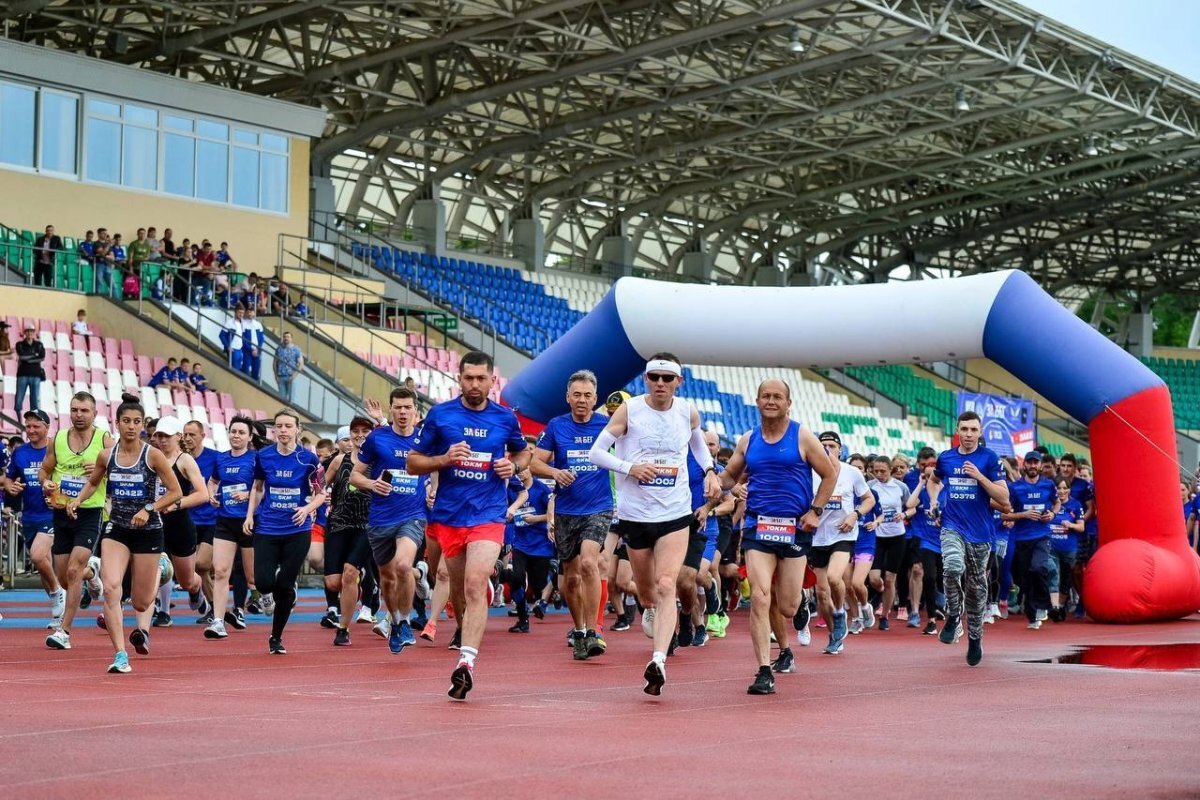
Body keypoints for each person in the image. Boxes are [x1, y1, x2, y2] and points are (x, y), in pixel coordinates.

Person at [587, 354, 721, 696]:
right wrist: (629, 467)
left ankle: (658, 660)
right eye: (653, 377)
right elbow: (596, 453)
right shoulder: (629, 411)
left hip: (675, 514)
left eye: (667, 377)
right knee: (647, 593)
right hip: (636, 516)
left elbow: (697, 445)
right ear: (645, 379)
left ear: (679, 381)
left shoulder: (687, 411)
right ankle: (651, 614)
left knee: (666, 585)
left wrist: (709, 471)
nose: (660, 383)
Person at [407, 350, 530, 701]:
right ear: (458, 379)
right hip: (448, 515)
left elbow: (524, 454)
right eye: (468, 378)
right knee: (458, 590)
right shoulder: (440, 416)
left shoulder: (505, 419)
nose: (475, 384)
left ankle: (466, 662)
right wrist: (444, 458)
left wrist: (514, 466)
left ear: (493, 380)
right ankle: (465, 628)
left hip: (489, 513)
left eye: (481, 378)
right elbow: (413, 463)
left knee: (475, 584)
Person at [716, 379, 836, 695]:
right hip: (758, 526)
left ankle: (799, 607)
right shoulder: (747, 440)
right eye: (766, 396)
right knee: (758, 594)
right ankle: (763, 670)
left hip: (794, 528)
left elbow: (829, 474)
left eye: (777, 397)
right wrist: (718, 482)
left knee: (786, 606)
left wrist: (816, 511)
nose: (771, 401)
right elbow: (730, 474)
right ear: (757, 401)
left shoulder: (803, 436)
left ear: (788, 403)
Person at [65, 393, 182, 673]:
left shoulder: (152, 455)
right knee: (111, 590)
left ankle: (161, 567)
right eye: (126, 421)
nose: (131, 426)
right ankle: (120, 654)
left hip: (148, 531)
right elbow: (93, 483)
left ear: (143, 425)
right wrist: (78, 500)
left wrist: (149, 508)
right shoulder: (107, 455)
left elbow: (176, 492)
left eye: (137, 421)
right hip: (116, 529)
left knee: (141, 602)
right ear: (117, 423)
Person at [530, 369, 613, 658]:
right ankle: (578, 630)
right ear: (567, 397)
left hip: (599, 507)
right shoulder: (556, 426)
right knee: (572, 577)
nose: (581, 400)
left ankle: (593, 631)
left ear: (595, 399)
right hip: (566, 509)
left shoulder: (607, 426)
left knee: (591, 562)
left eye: (587, 395)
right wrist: (555, 472)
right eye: (576, 395)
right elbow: (534, 463)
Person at [925, 411, 1011, 667]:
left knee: (976, 590)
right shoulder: (947, 457)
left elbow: (1004, 499)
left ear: (980, 432)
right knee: (951, 567)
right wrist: (932, 501)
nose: (969, 434)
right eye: (965, 429)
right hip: (952, 525)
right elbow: (934, 479)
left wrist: (980, 477)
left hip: (981, 534)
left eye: (974, 430)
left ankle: (975, 637)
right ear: (958, 431)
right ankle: (953, 616)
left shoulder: (989, 458)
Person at [353, 388, 428, 654]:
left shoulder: (425, 439)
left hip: (413, 516)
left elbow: (439, 466)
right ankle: (395, 621)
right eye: (398, 407)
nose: (403, 412)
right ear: (391, 409)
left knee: (404, 566)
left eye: (408, 407)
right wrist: (372, 484)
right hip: (380, 519)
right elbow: (355, 477)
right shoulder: (377, 438)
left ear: (415, 410)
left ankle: (406, 622)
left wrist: (433, 489)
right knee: (386, 577)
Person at [243, 409, 325, 654]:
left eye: (288, 426)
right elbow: (257, 488)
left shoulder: (308, 459)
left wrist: (307, 508)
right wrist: (249, 515)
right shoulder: (264, 456)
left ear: (297, 429)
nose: (283, 430)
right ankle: (268, 594)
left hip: (297, 530)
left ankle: (276, 637)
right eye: (279, 426)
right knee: (264, 582)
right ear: (274, 430)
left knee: (286, 587)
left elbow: (321, 494)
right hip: (267, 527)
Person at [39, 392, 115, 650]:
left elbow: (122, 469)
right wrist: (45, 483)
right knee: (64, 577)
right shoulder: (58, 438)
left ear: (94, 413)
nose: (79, 415)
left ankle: (64, 631)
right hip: (61, 512)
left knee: (72, 572)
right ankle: (92, 573)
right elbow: (44, 469)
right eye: (74, 410)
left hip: (90, 512)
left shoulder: (104, 439)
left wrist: (101, 468)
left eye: (84, 410)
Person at [2, 410, 75, 625]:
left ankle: (58, 593)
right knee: (44, 567)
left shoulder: (59, 448)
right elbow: (7, 478)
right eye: (28, 426)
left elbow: (75, 475)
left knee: (36, 556)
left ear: (47, 427)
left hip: (52, 513)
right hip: (29, 516)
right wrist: (11, 486)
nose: (31, 430)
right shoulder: (20, 452)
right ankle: (59, 612)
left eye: (36, 426)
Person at [140, 417, 210, 632]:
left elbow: (203, 494)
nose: (161, 441)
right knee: (154, 572)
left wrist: (176, 504)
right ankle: (145, 627)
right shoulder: (149, 457)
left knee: (187, 580)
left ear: (178, 437)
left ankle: (196, 590)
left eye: (166, 436)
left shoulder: (184, 460)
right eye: (158, 436)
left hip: (179, 526)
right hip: (154, 525)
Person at [809, 431, 874, 652]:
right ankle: (835, 633)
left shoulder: (852, 472)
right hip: (818, 536)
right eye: (823, 445)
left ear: (840, 449)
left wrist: (855, 514)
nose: (827, 449)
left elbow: (869, 499)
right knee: (820, 593)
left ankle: (840, 612)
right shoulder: (811, 473)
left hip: (844, 533)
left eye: (831, 445)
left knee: (834, 577)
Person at [204, 416, 259, 638]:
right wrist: (211, 495)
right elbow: (213, 481)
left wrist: (247, 494)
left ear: (249, 437)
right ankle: (218, 621)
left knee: (253, 576)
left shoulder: (256, 459)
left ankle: (266, 594)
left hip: (249, 522)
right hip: (226, 521)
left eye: (241, 432)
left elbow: (263, 487)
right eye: (233, 431)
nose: (236, 435)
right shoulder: (221, 459)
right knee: (220, 571)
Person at [324, 418, 376, 646]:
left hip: (365, 525)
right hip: (338, 523)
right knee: (333, 583)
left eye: (365, 431)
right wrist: (319, 498)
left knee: (348, 574)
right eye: (355, 431)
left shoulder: (377, 461)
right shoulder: (338, 461)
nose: (359, 435)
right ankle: (361, 576)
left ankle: (343, 628)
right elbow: (320, 485)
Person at [1003, 451, 1057, 630]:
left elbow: (1056, 503)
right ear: (1024, 465)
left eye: (1036, 463)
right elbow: (1005, 513)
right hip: (1021, 538)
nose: (1033, 466)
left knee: (1038, 567)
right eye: (1030, 463)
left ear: (1041, 466)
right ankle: (1032, 615)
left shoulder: (1048, 485)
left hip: (1042, 536)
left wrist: (1052, 514)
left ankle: (1043, 604)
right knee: (1025, 579)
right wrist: (1023, 514)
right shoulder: (1015, 487)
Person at [500, 467, 555, 635]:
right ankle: (523, 619)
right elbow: (506, 512)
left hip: (540, 545)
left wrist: (535, 519)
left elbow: (552, 514)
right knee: (516, 577)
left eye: (523, 470)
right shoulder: (511, 490)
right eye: (517, 472)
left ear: (531, 470)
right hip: (520, 543)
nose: (520, 474)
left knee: (538, 586)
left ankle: (554, 576)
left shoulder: (541, 489)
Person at [865, 455, 912, 631]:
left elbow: (912, 505)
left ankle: (884, 615)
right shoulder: (870, 487)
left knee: (890, 579)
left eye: (883, 471)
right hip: (876, 536)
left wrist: (905, 514)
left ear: (890, 469)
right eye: (875, 471)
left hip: (896, 536)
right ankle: (880, 593)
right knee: (874, 579)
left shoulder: (901, 487)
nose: (879, 474)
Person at [181, 420, 220, 627]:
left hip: (212, 519)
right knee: (200, 570)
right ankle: (212, 607)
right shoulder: (181, 459)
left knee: (201, 564)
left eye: (192, 434)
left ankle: (200, 596)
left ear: (203, 435)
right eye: (185, 434)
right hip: (189, 519)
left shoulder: (214, 458)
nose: (188, 438)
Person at [1048, 478, 1085, 622]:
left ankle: (1065, 604)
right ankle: (1055, 607)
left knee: (1068, 578)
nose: (1062, 491)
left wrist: (1071, 525)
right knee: (1053, 574)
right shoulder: (1051, 504)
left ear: (1069, 490)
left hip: (1070, 549)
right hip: (1052, 548)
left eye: (1065, 488)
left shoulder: (1075, 504)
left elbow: (1081, 527)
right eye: (1059, 488)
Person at [15, 323, 45, 414]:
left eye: (31, 331)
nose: (29, 333)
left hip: (36, 374)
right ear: (24, 333)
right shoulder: (19, 344)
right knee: (19, 399)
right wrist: (34, 355)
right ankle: (17, 420)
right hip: (22, 374)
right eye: (27, 331)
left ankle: (33, 420)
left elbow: (42, 357)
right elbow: (21, 356)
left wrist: (28, 358)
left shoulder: (39, 344)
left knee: (34, 400)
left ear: (34, 333)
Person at [275, 332, 305, 402]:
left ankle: (290, 412)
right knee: (281, 399)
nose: (286, 338)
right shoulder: (279, 349)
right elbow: (275, 363)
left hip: (291, 376)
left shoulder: (296, 349)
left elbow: (301, 364)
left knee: (292, 400)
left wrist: (294, 376)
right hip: (281, 376)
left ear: (291, 338)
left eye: (288, 337)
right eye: (284, 337)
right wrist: (276, 375)